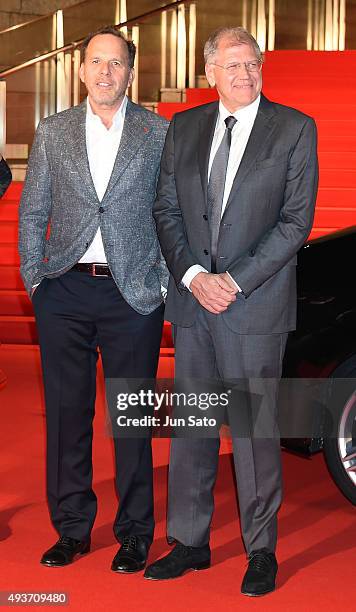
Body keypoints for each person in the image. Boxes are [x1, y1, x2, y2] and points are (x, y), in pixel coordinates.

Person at [145, 26, 318, 596]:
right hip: (194, 304)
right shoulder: (186, 126)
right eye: (234, 65)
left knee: (253, 431)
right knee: (192, 428)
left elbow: (295, 222)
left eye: (254, 65)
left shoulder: (293, 129)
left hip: (255, 305)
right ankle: (189, 543)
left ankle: (261, 549)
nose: (246, 75)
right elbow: (166, 209)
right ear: (209, 70)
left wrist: (234, 282)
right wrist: (195, 278)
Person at [18, 26, 168, 573]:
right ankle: (73, 528)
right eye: (96, 62)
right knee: (66, 415)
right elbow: (33, 209)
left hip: (133, 293)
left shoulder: (158, 132)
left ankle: (134, 534)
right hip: (65, 290)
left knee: (131, 418)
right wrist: (38, 281)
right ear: (80, 70)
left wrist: (162, 283)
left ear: (131, 72)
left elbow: (169, 213)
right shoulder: (52, 131)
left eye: (117, 64)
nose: (106, 73)